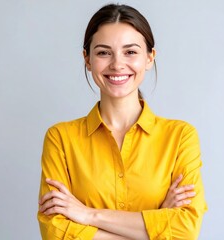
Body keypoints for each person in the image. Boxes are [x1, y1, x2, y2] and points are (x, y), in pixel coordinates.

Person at [37, 3, 207, 239]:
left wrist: (87, 215)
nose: (117, 64)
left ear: (149, 57)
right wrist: (156, 223)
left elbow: (185, 230)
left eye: (130, 52)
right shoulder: (60, 138)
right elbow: (55, 232)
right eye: (103, 52)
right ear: (87, 59)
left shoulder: (180, 137)